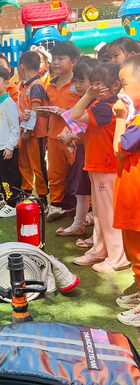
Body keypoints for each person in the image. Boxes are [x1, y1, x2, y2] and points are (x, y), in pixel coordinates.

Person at [69, 63, 129, 273]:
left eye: (98, 85)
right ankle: (101, 249)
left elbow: (74, 115)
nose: (94, 89)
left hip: (106, 166)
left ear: (114, 86)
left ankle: (117, 256)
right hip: (99, 165)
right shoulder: (104, 105)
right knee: (100, 214)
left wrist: (87, 95)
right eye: (92, 84)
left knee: (107, 214)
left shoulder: (105, 107)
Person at [37, 41, 80, 222]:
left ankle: (87, 206)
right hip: (54, 136)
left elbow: (86, 110)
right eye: (53, 59)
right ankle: (56, 204)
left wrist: (67, 114)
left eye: (61, 59)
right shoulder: (50, 85)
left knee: (78, 173)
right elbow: (48, 110)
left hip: (74, 137)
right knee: (55, 172)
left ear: (73, 62)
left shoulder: (78, 84)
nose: (55, 62)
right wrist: (43, 113)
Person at [113, 54, 140, 326]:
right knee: (133, 250)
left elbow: (118, 150)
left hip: (135, 198)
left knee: (138, 250)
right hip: (131, 195)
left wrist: (121, 118)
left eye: (124, 84)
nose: (120, 91)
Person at [62, 57, 99, 248]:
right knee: (81, 192)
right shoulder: (87, 103)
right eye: (75, 81)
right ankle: (79, 225)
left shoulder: (97, 105)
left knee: (96, 197)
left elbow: (87, 134)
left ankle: (97, 236)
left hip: (94, 155)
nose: (76, 85)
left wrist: (71, 137)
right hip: (84, 155)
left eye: (81, 81)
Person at [0, 66, 22, 218]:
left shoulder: (9, 103)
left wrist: (10, 146)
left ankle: (13, 203)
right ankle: (7, 199)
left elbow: (15, 128)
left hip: (6, 148)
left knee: (9, 176)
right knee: (1, 176)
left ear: (6, 83)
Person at [16, 51, 48, 209]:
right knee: (24, 164)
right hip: (25, 133)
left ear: (22, 66)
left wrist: (28, 131)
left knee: (38, 166)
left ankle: (43, 197)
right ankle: (27, 192)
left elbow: (34, 112)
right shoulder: (24, 85)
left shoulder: (36, 85)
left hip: (36, 134)